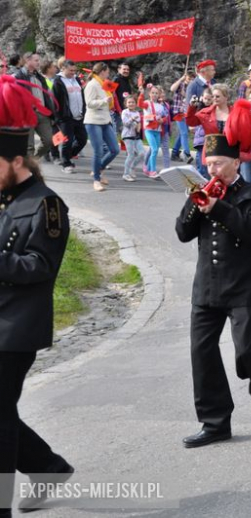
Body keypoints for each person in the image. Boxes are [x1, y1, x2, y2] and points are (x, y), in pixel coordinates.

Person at [174, 131, 251, 449]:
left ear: (236, 162)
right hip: (207, 284)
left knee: (245, 352)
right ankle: (215, 422)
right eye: (208, 164)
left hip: (243, 285)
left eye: (219, 163)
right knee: (201, 353)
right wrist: (196, 202)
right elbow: (182, 233)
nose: (213, 170)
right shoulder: (202, 189)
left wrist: (218, 208)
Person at [0, 74, 73, 517]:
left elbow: (40, 267)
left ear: (15, 161)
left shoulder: (47, 205)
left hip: (17, 328)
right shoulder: (5, 199)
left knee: (0, 418)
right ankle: (47, 466)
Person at [83, 62, 120, 192]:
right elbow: (89, 103)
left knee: (115, 149)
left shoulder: (104, 84)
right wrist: (104, 101)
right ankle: (97, 180)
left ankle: (97, 169)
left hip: (105, 120)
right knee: (98, 151)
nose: (108, 74)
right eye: (107, 71)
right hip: (93, 121)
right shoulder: (92, 85)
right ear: (102, 71)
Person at [14, 52, 55, 159]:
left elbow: (46, 95)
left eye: (38, 60)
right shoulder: (18, 76)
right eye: (36, 60)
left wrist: (51, 112)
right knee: (29, 146)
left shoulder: (40, 77)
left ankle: (34, 160)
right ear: (28, 60)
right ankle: (30, 169)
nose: (39, 63)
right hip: (27, 115)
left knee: (49, 140)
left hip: (42, 114)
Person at [51, 59, 87, 174]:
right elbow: (54, 101)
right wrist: (57, 117)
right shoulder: (58, 81)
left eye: (74, 70)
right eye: (70, 70)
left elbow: (81, 96)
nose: (73, 72)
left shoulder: (76, 79)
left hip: (79, 116)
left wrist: (84, 110)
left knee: (82, 139)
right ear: (63, 68)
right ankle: (66, 164)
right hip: (65, 117)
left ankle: (66, 157)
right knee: (68, 140)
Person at [139, 85, 169, 178]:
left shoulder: (160, 106)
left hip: (158, 130)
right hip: (149, 130)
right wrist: (141, 94)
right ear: (149, 93)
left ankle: (148, 169)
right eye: (152, 93)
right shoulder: (147, 103)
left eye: (156, 93)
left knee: (154, 150)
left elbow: (165, 116)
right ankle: (153, 171)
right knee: (155, 149)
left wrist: (162, 120)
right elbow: (140, 104)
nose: (154, 95)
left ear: (159, 94)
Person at [170, 71, 195, 163]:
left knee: (182, 133)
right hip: (178, 112)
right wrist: (181, 79)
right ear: (186, 78)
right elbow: (172, 89)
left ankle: (175, 152)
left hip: (187, 113)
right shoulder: (180, 85)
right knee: (184, 133)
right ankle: (187, 154)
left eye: (192, 79)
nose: (190, 80)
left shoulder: (191, 88)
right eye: (189, 78)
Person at [121, 95, 143, 182]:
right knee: (131, 154)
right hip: (127, 136)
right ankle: (125, 174)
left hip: (136, 136)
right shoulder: (125, 112)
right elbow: (126, 124)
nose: (131, 104)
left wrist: (139, 127)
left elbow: (138, 124)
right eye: (129, 102)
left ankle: (132, 167)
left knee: (142, 154)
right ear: (126, 104)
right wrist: (132, 119)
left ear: (135, 103)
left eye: (133, 102)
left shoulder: (137, 113)